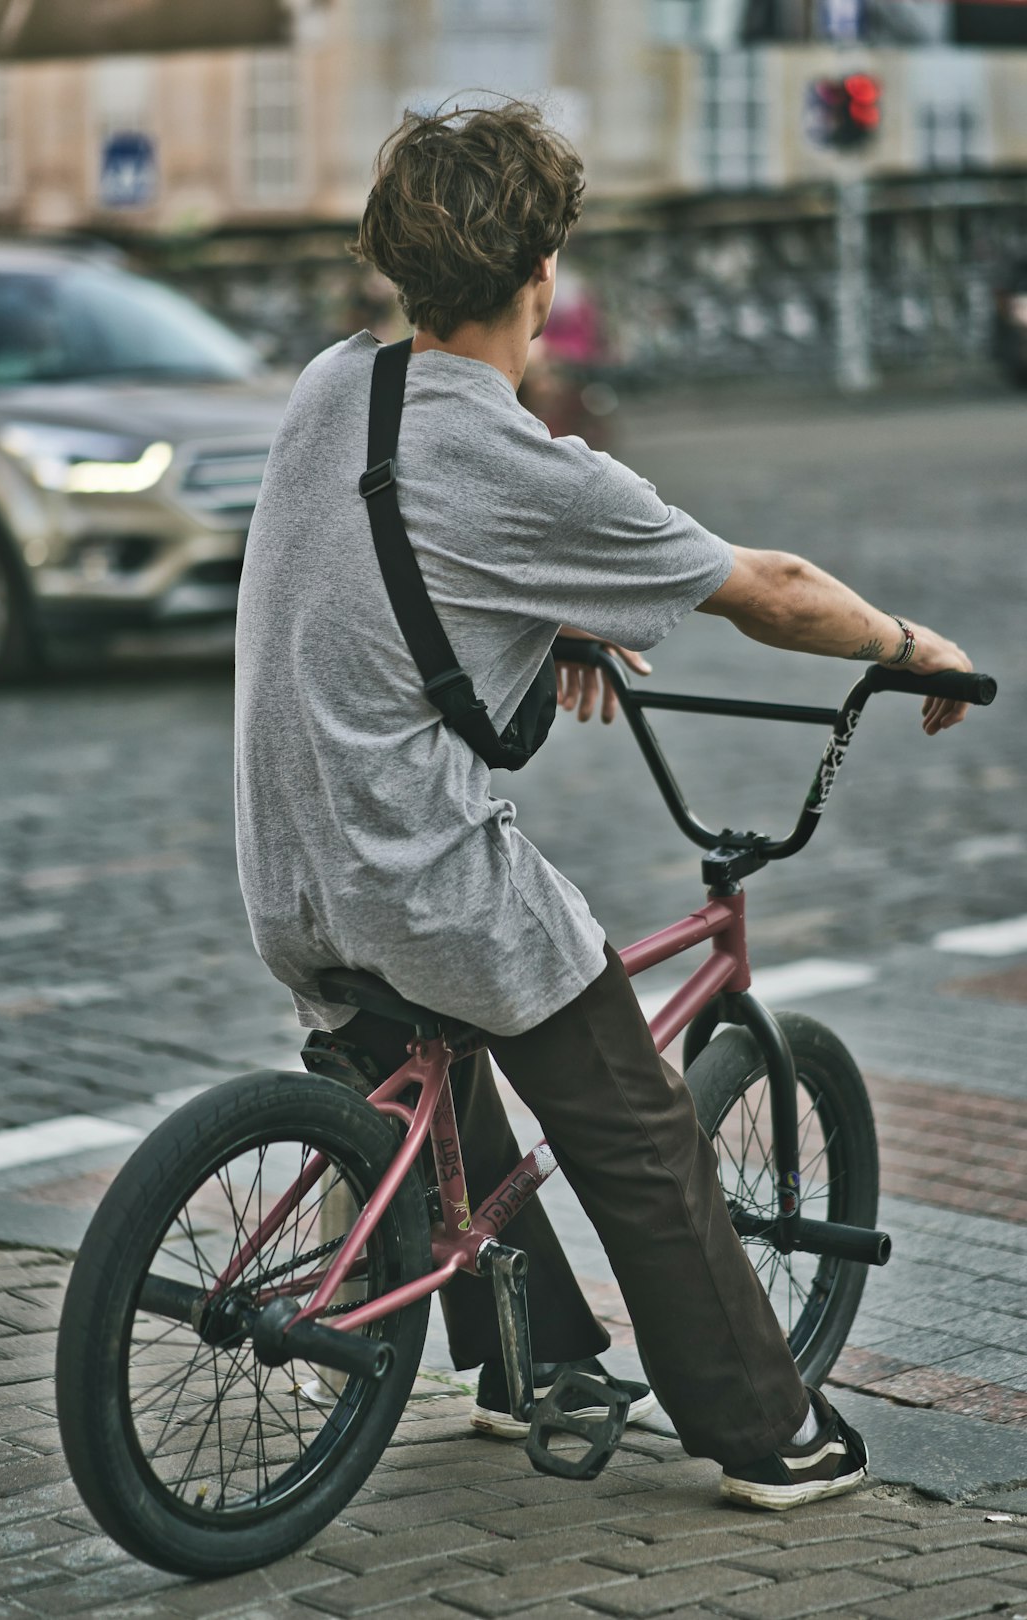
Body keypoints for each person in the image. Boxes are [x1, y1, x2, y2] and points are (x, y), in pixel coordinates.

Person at [233, 100, 973, 1510]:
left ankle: (529, 1363)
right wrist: (909, 646)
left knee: (447, 1078)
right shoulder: (523, 463)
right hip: (420, 882)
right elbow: (777, 591)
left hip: (291, 871)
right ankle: (768, 1431)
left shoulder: (335, 385)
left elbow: (388, 563)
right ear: (544, 270)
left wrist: (549, 622)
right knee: (639, 1136)